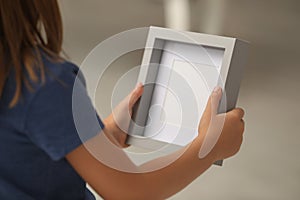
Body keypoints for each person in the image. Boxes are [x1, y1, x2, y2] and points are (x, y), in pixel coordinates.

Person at [0, 0, 245, 199]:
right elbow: (133, 192)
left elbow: (25, 158)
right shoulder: (43, 83)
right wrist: (209, 147)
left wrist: (106, 134)